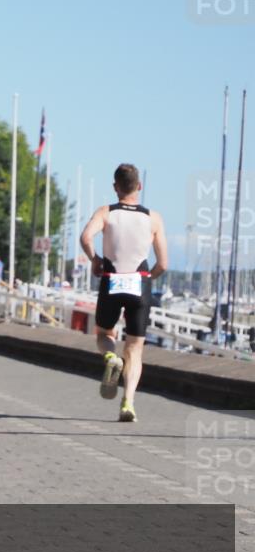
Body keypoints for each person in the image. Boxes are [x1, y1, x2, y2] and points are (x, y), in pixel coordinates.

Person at [79, 163, 167, 422]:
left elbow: (85, 237)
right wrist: (148, 279)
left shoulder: (106, 212)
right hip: (139, 282)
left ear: (116, 187)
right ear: (139, 186)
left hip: (112, 280)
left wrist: (95, 259)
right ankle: (128, 402)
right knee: (135, 348)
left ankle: (109, 356)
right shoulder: (153, 218)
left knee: (105, 334)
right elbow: (163, 264)